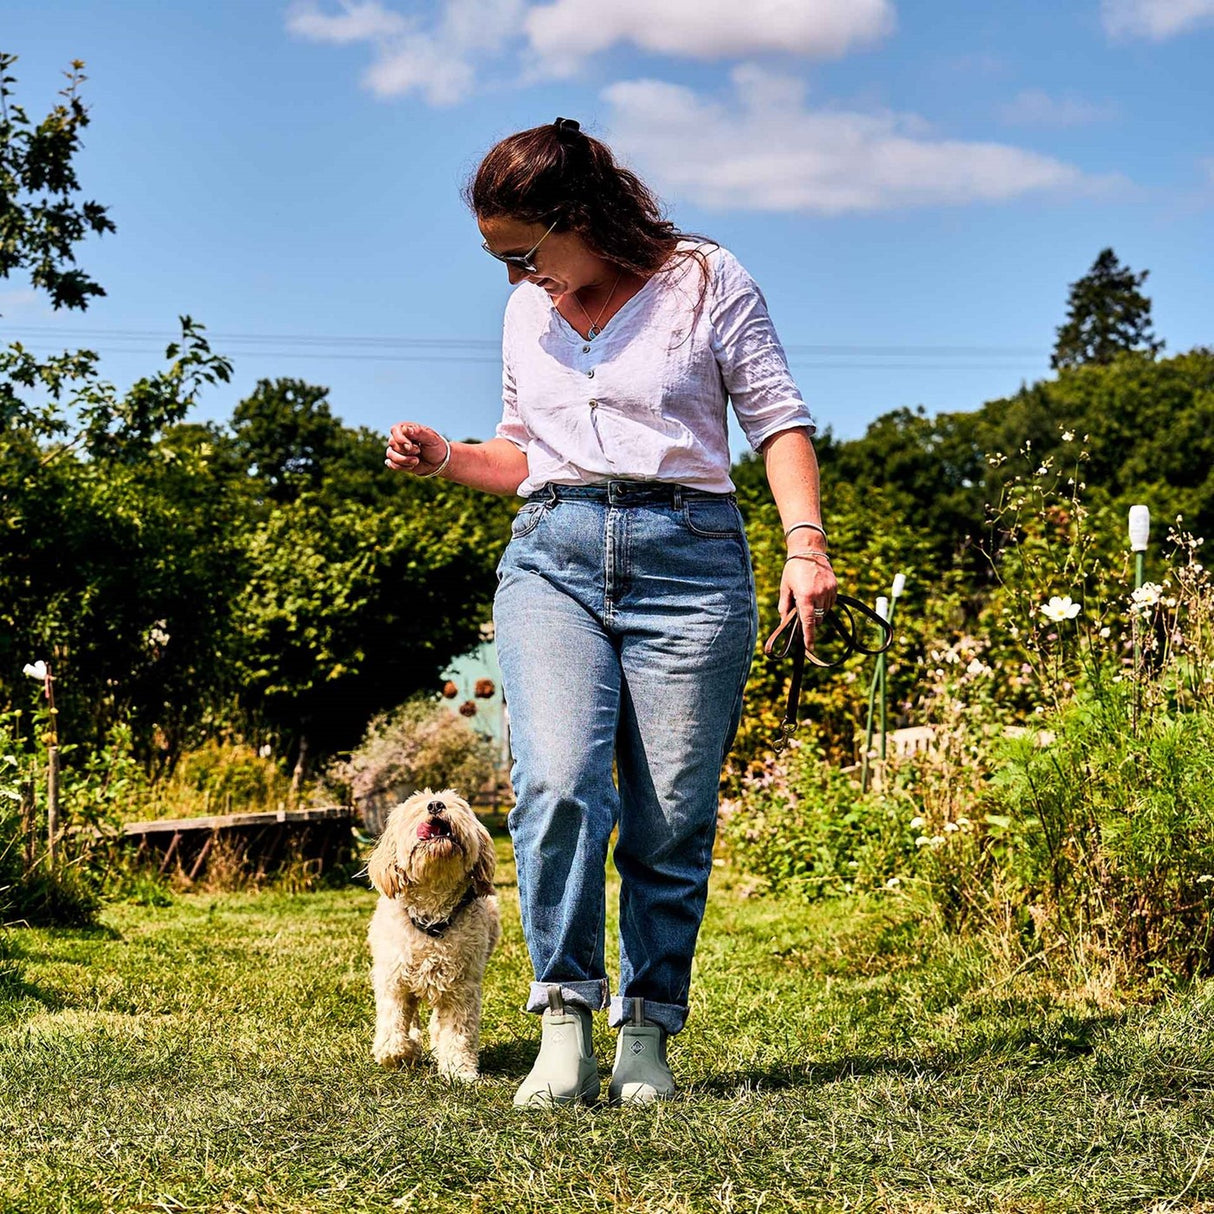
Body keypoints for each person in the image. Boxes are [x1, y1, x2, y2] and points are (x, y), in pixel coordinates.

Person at [385, 117, 836, 1107]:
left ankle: (645, 1029)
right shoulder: (526, 315)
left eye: (522, 254)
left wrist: (804, 541)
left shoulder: (706, 280)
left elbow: (776, 420)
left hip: (691, 561)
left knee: (669, 810)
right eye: (499, 261)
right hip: (552, 555)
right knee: (555, 782)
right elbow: (519, 451)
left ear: (577, 217)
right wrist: (446, 457)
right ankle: (561, 1022)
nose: (515, 279)